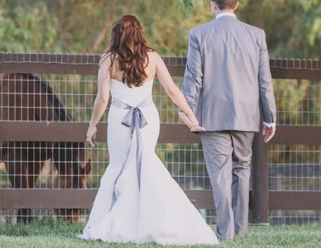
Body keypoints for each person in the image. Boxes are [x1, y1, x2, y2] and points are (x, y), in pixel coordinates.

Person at [80, 14, 219, 245]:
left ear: (116, 35)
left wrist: (92, 125)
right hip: (148, 120)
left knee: (119, 166)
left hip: (119, 121)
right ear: (139, 34)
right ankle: (150, 222)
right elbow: (173, 91)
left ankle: (119, 222)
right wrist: (191, 116)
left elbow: (102, 99)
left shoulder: (108, 60)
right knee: (145, 164)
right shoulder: (152, 58)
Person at [180, 0, 277, 241]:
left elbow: (193, 79)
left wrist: (187, 111)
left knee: (219, 176)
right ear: (237, 4)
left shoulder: (199, 34)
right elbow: (264, 80)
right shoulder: (256, 35)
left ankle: (225, 234)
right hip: (246, 116)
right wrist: (270, 118)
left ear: (213, 5)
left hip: (211, 116)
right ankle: (241, 231)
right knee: (242, 169)